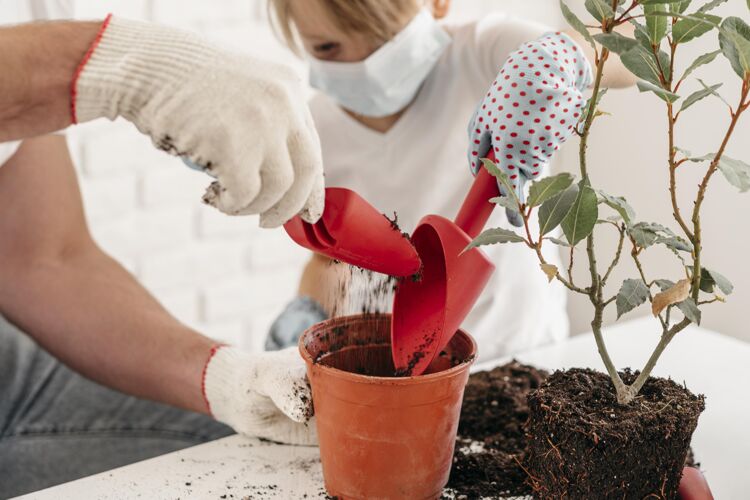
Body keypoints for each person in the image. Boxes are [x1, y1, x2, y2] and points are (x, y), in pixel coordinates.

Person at [0, 3, 322, 497]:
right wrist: (114, 63)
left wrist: (226, 380)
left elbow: (43, 257)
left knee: (267, 460)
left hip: (15, 373)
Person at [264, 0, 634, 359]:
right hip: (407, 367)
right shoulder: (314, 131)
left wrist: (558, 57)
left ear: (437, 4)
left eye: (383, 39)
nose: (363, 63)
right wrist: (309, 311)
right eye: (327, 46)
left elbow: (629, 50)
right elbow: (330, 262)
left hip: (523, 346)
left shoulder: (483, 51)